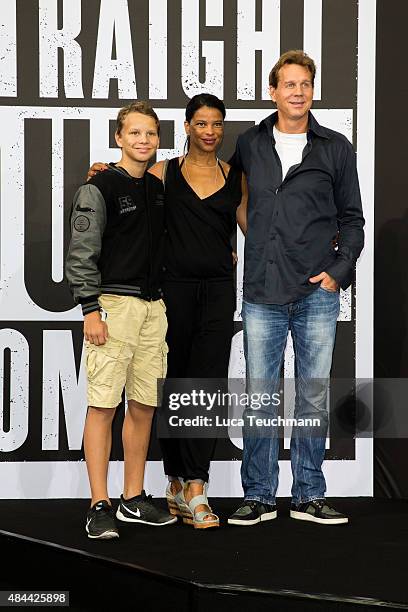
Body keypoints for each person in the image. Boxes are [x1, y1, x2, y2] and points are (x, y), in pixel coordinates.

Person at [89, 94, 246, 529]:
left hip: (217, 292)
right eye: (201, 123)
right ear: (187, 127)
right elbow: (127, 181)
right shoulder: (164, 172)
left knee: (207, 388)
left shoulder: (235, 177)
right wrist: (101, 171)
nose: (210, 131)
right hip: (169, 292)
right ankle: (174, 482)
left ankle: (198, 485)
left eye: (217, 124)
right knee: (171, 387)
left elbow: (256, 229)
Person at [227, 50, 364, 526]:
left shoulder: (335, 147)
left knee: (312, 397)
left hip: (317, 294)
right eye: (289, 84)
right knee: (262, 395)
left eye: (305, 84)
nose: (298, 92)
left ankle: (309, 494)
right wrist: (258, 241)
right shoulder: (249, 143)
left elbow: (353, 220)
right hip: (263, 289)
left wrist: (337, 271)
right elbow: (220, 191)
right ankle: (259, 496)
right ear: (273, 91)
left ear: (312, 90)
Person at [66, 101, 176, 539]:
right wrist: (90, 309)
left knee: (144, 405)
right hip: (112, 307)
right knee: (103, 405)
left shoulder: (157, 188)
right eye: (134, 133)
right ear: (119, 137)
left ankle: (132, 498)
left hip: (154, 309)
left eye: (150, 134)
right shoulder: (99, 187)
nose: (143, 141)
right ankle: (99, 503)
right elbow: (81, 254)